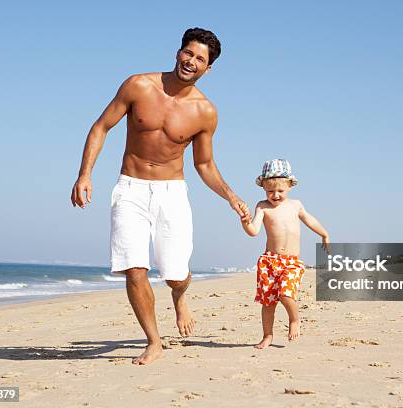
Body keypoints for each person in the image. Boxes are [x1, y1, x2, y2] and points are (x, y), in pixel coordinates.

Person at [70, 27, 250, 365]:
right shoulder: (138, 85)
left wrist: (231, 196)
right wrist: (85, 173)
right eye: (189, 54)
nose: (191, 62)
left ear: (208, 69)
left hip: (172, 193)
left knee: (175, 274)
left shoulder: (205, 112)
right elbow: (101, 127)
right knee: (134, 268)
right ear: (177, 53)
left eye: (200, 59)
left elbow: (205, 164)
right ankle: (154, 341)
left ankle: (180, 296)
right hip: (130, 188)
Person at [241, 159, 329, 349]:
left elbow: (309, 220)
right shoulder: (262, 206)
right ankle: (267, 335)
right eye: (270, 191)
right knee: (268, 303)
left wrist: (324, 233)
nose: (275, 195)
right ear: (263, 188)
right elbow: (254, 231)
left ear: (290, 185)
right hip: (269, 262)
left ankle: (294, 319)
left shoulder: (296, 205)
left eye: (280, 191)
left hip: (291, 262)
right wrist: (245, 222)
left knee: (286, 294)